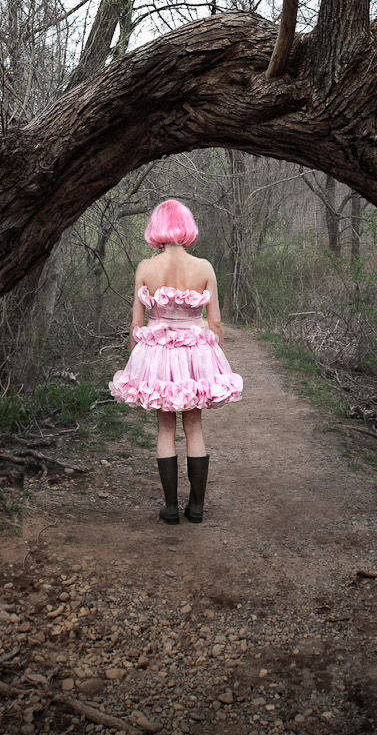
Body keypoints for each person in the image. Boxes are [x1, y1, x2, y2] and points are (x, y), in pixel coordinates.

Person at [108, 199, 243, 523]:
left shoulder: (145, 268)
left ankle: (170, 508)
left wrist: (136, 361)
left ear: (157, 228)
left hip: (158, 354)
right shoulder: (204, 267)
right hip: (195, 353)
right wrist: (213, 356)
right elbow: (216, 323)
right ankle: (195, 508)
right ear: (186, 227)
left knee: (165, 427)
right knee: (194, 424)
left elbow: (135, 324)